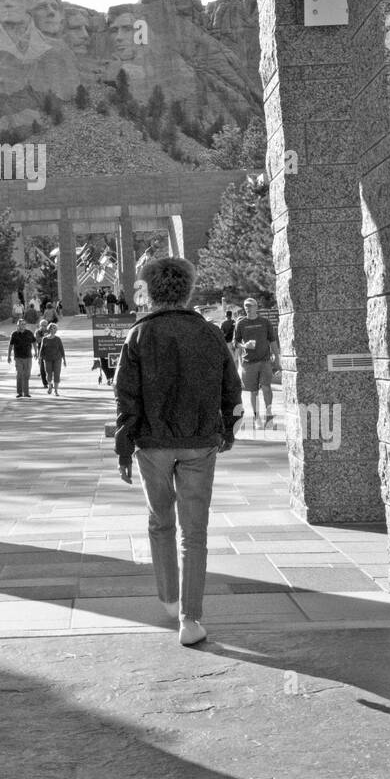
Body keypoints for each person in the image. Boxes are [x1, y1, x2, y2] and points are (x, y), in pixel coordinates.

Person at [113, 256, 243, 647]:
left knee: (160, 521)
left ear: (151, 291)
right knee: (195, 532)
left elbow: (126, 397)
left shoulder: (138, 335)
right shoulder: (208, 332)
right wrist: (228, 431)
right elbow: (231, 389)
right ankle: (191, 617)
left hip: (152, 443)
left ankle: (169, 597)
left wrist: (124, 447)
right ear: (187, 290)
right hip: (200, 442)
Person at [233, 299, 280, 428]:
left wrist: (277, 357)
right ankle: (256, 417)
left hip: (264, 361)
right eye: (245, 306)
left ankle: (269, 416)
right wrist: (244, 345)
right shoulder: (241, 323)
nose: (247, 308)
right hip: (249, 362)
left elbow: (272, 340)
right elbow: (235, 342)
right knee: (253, 392)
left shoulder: (265, 322)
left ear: (256, 307)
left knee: (266, 388)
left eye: (250, 306)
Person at [8, 318, 36, 398]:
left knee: (27, 375)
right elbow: (10, 345)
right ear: (18, 325)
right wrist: (9, 356)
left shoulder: (29, 333)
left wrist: (36, 352)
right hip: (18, 357)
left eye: (24, 324)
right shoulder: (14, 334)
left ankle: (26, 393)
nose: (23, 325)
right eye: (21, 324)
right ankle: (20, 392)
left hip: (28, 357)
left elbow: (34, 342)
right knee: (19, 374)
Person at [40, 323, 66, 395]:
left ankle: (56, 390)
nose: (54, 330)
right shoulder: (45, 339)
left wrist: (64, 360)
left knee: (57, 374)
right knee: (49, 374)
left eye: (55, 328)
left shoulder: (58, 339)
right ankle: (50, 386)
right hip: (47, 359)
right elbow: (42, 350)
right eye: (52, 328)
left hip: (57, 358)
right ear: (49, 329)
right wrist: (40, 359)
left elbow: (61, 349)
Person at [35, 319, 49, 389]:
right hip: (41, 351)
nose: (44, 327)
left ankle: (50, 381)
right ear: (40, 325)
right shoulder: (38, 332)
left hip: (49, 351)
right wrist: (44, 337)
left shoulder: (49, 330)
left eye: (46, 325)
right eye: (43, 325)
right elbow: (37, 340)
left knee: (49, 368)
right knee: (42, 368)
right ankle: (45, 383)